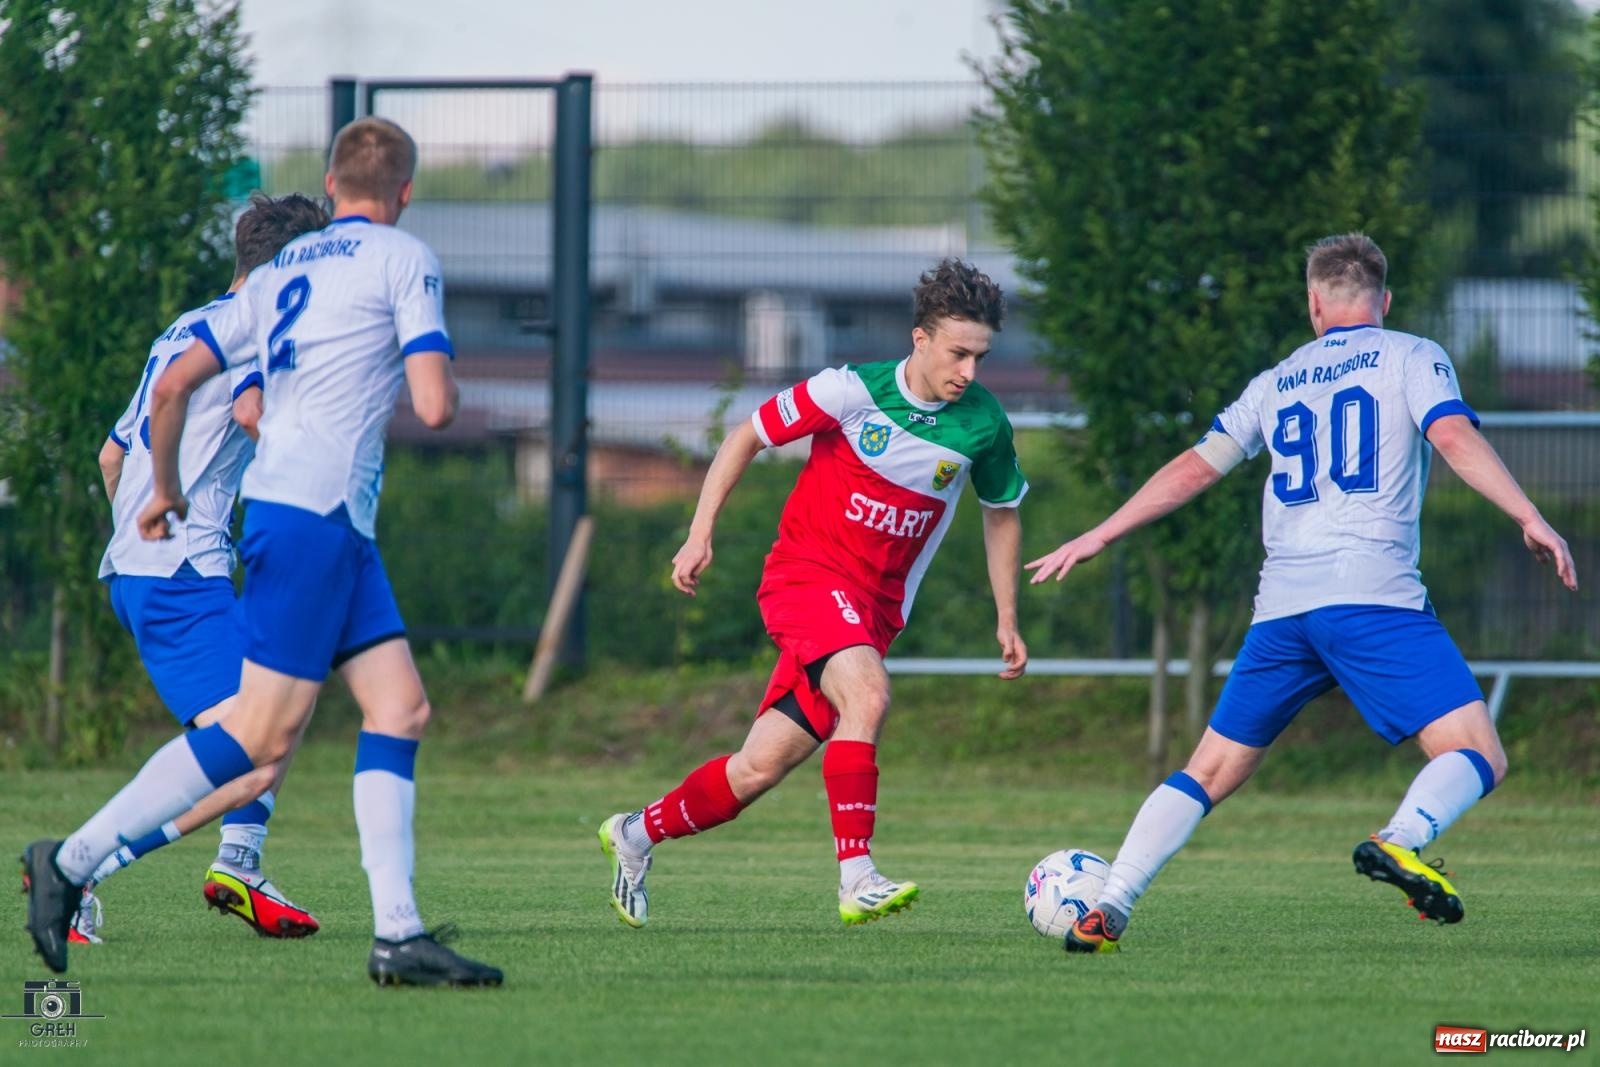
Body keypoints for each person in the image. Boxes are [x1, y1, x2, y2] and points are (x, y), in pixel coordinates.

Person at [22, 117, 502, 988]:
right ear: (404, 192)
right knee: (256, 740)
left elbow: (169, 390)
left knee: (400, 707)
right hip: (311, 514)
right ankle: (74, 861)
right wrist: (426, 375)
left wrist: (160, 487)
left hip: (325, 523)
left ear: (329, 184)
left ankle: (398, 934)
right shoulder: (403, 258)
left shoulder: (278, 276)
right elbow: (435, 406)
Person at [1026, 233, 1578, 954]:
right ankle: (1401, 838)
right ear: (1383, 300)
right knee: (1477, 751)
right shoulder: (1412, 354)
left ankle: (1111, 902)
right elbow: (1451, 437)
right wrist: (1527, 513)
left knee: (1209, 769)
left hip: (1282, 608)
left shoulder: (1277, 379)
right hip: (1371, 593)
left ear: (1314, 304)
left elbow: (1198, 466)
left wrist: (1102, 531)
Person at [598, 258, 1030, 928]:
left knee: (757, 768)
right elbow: (747, 434)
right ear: (920, 339)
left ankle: (635, 833)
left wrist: (1007, 615)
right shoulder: (850, 391)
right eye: (957, 353)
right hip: (806, 577)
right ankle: (857, 875)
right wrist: (699, 532)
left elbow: (1001, 512)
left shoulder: (983, 423)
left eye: (981, 356)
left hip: (873, 615)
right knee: (869, 694)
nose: (969, 371)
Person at [76, 192, 329, 945]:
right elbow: (253, 414)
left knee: (281, 708)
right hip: (180, 570)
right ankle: (77, 868)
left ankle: (240, 864)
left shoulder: (186, 329)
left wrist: (141, 532)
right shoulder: (257, 335)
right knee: (245, 744)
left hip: (146, 566)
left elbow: (110, 454)